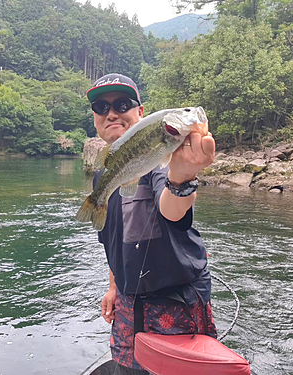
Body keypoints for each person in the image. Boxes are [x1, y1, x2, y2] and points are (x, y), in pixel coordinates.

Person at [86, 73, 217, 375]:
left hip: (175, 303)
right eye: (101, 107)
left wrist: (182, 176)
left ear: (140, 112)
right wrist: (113, 287)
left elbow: (173, 209)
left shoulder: (160, 163)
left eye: (122, 104)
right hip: (128, 305)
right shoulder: (103, 178)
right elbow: (113, 239)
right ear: (94, 117)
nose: (111, 113)